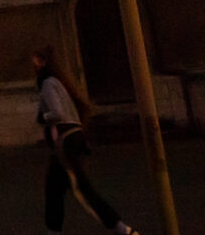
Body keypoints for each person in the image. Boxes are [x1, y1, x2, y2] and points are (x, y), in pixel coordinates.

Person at [34, 47, 137, 235]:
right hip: (70, 139)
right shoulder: (58, 83)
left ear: (42, 61)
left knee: (82, 189)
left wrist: (43, 118)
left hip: (64, 142)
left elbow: (58, 113)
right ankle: (53, 231)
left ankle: (122, 229)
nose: (33, 64)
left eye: (36, 59)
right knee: (53, 189)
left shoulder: (48, 83)